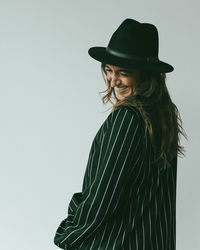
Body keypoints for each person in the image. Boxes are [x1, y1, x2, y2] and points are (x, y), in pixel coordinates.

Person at [53, 18, 187, 250]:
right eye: (108, 70)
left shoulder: (128, 118)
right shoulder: (161, 118)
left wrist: (69, 234)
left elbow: (104, 196)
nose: (113, 81)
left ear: (145, 76)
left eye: (123, 73)